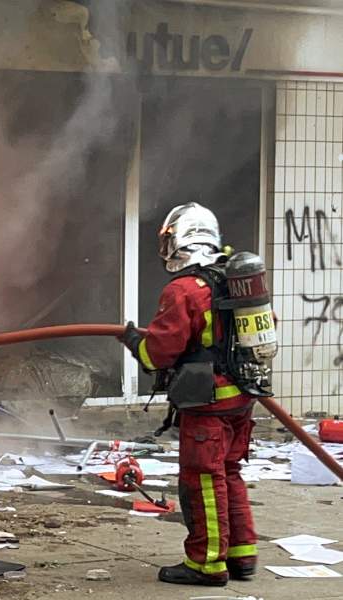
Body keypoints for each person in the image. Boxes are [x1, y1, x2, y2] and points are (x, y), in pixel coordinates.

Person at [118, 202, 258, 587]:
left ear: (176, 241)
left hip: (207, 403)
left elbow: (160, 351)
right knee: (229, 473)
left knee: (203, 481)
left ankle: (207, 564)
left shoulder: (183, 290)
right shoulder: (233, 279)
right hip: (242, 397)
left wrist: (134, 342)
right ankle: (242, 555)